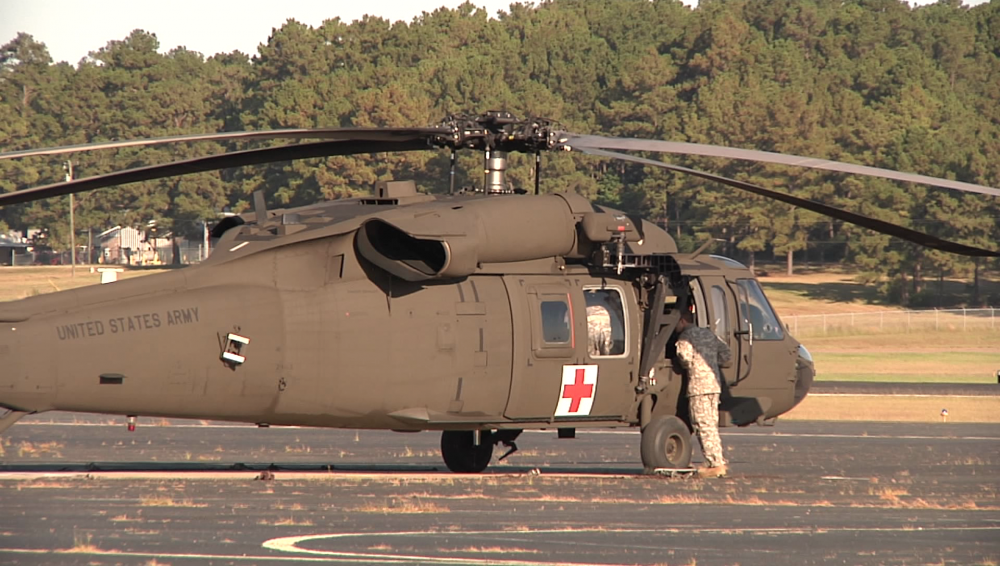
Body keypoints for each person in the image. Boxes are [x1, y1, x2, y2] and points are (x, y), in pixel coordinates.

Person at [674, 309, 732, 477]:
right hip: (714, 385)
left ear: (683, 321)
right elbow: (727, 355)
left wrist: (690, 365)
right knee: (710, 425)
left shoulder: (686, 337)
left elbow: (684, 356)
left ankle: (715, 464)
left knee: (702, 425)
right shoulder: (708, 334)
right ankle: (717, 460)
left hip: (699, 386)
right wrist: (712, 361)